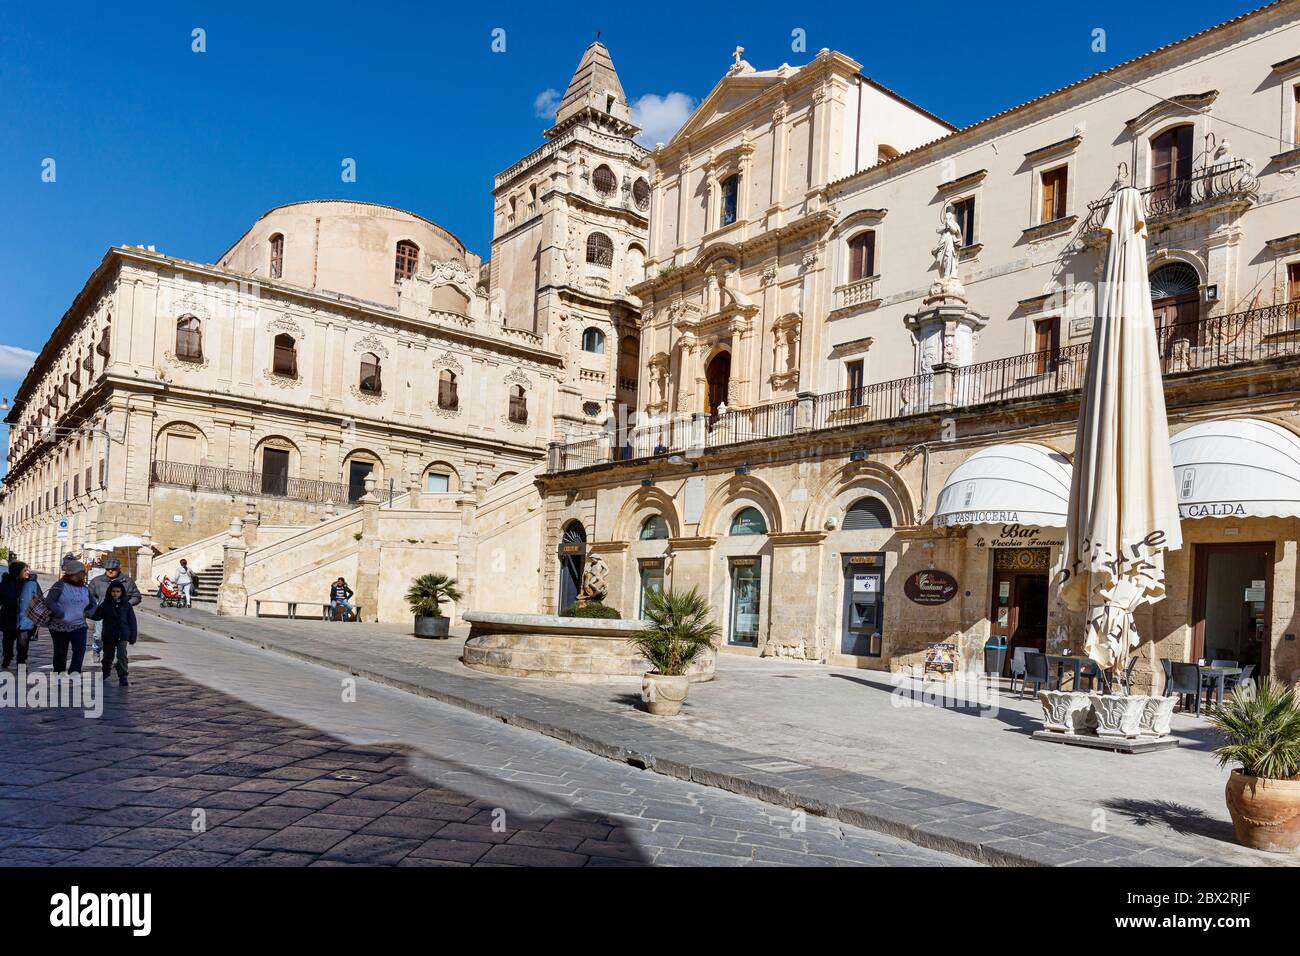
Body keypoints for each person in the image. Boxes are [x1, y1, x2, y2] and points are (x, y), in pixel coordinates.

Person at [46, 558, 96, 674]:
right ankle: (59, 672)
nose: (85, 574)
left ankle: (75, 672)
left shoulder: (84, 588)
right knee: (60, 652)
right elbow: (50, 601)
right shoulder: (60, 585)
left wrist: (89, 613)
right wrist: (60, 613)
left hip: (79, 626)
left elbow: (93, 603)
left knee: (80, 650)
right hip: (59, 626)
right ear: (75, 572)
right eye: (83, 572)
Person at [89, 557, 142, 661]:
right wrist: (95, 605)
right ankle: (96, 650)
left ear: (119, 568)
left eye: (113, 569)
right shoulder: (97, 581)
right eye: (108, 569)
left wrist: (127, 604)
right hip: (103, 613)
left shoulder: (127, 581)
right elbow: (89, 595)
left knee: (121, 638)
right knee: (99, 636)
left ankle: (120, 657)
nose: (110, 571)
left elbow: (137, 596)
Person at [90, 580, 136, 686]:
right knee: (108, 656)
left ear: (122, 592)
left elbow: (132, 621)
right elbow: (97, 615)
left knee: (122, 656)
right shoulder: (105, 604)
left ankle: (123, 676)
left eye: (118, 591)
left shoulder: (126, 605)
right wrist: (89, 609)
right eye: (113, 591)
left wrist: (132, 636)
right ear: (110, 592)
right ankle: (106, 671)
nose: (115, 593)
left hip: (122, 635)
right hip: (109, 635)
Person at [0, 561, 40, 668]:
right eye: (25, 570)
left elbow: (39, 599)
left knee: (23, 644)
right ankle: (7, 658)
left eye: (28, 569)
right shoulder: (5, 584)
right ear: (17, 571)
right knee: (7, 642)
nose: (28, 572)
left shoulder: (32, 583)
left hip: (25, 620)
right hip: (9, 618)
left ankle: (21, 662)